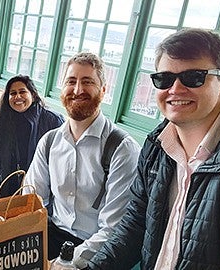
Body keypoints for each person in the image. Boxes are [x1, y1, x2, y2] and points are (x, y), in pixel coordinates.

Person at [87, 28, 220, 269]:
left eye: (194, 77)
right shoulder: (157, 145)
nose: (176, 89)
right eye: (164, 79)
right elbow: (134, 226)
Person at [24, 52, 141, 268]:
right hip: (51, 234)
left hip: (97, 249)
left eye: (87, 82)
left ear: (103, 91)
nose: (77, 90)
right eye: (71, 82)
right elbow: (32, 200)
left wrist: (64, 262)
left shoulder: (122, 149)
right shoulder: (49, 141)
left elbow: (113, 229)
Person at [0, 74, 64, 198]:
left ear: (33, 95)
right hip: (8, 186)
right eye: (12, 93)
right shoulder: (3, 120)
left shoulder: (53, 120)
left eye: (22, 91)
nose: (17, 96)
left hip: (38, 189)